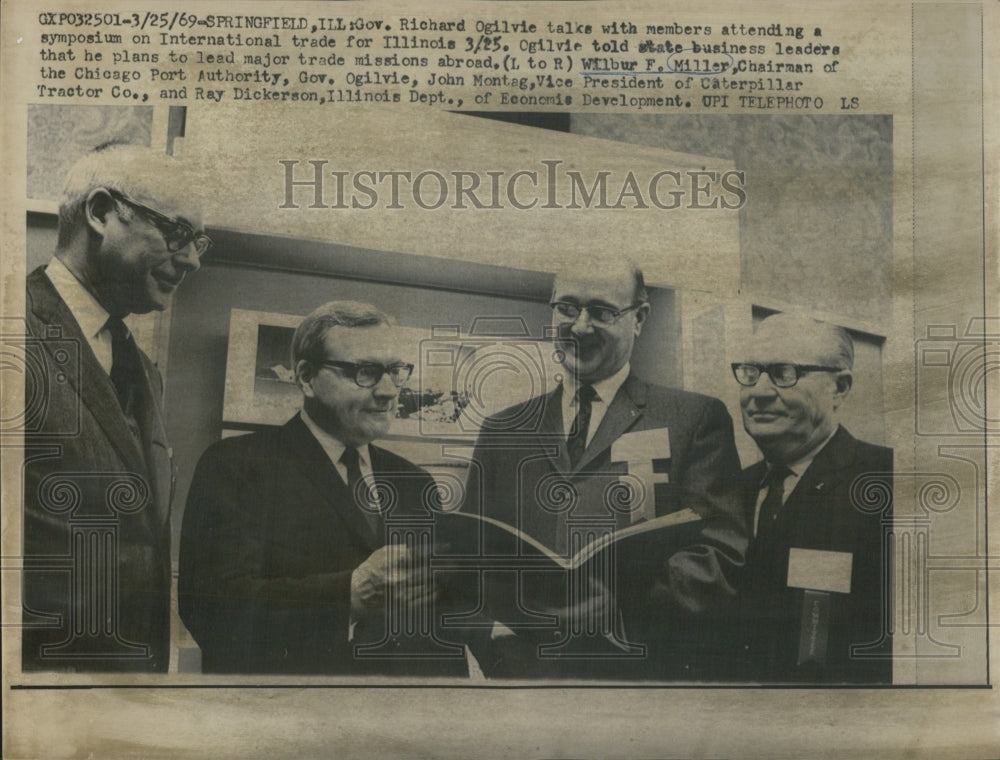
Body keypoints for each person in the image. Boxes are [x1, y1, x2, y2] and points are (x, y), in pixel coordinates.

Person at [462, 258, 747, 679]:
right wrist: (488, 639)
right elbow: (468, 555)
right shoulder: (502, 429)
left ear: (639, 319)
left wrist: (616, 612)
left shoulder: (694, 418)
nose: (580, 327)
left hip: (640, 673)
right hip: (523, 677)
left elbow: (721, 554)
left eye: (601, 311)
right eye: (567, 308)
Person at [179, 302, 467, 676]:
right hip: (290, 715)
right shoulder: (236, 464)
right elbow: (210, 609)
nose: (388, 391)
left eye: (395, 372)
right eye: (365, 372)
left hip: (403, 718)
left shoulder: (414, 482)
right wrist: (346, 597)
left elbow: (437, 620)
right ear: (305, 377)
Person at [22, 144, 207, 672]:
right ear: (102, 212)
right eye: (176, 231)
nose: (192, 259)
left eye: (199, 242)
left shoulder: (144, 370)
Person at [732, 313, 893, 683]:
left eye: (784, 373)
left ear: (840, 387)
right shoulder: (731, 489)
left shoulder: (888, 481)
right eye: (750, 372)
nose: (757, 392)